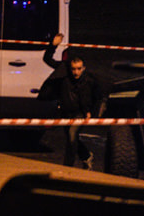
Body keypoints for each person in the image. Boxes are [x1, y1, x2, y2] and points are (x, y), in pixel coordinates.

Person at [42, 33, 106, 169]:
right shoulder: (64, 72)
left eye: (78, 69)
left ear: (83, 68)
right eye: (73, 69)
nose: (76, 72)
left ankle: (67, 167)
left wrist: (91, 112)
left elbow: (98, 96)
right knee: (72, 138)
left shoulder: (89, 80)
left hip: (80, 113)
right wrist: (53, 45)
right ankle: (86, 156)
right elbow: (47, 59)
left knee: (72, 136)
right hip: (66, 111)